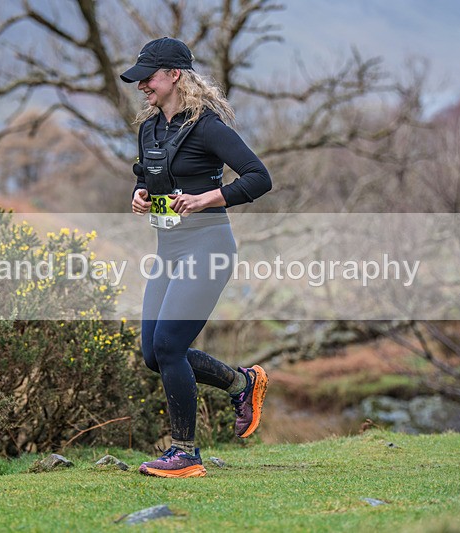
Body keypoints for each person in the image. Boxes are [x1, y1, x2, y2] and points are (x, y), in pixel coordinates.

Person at [121, 37, 272, 478]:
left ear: (174, 75)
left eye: (148, 77)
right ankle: (242, 383)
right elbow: (143, 172)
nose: (142, 86)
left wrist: (210, 198)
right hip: (168, 249)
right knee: (153, 353)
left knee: (169, 346)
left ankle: (185, 454)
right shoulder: (149, 126)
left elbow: (259, 178)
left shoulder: (207, 126)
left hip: (208, 245)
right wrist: (140, 194)